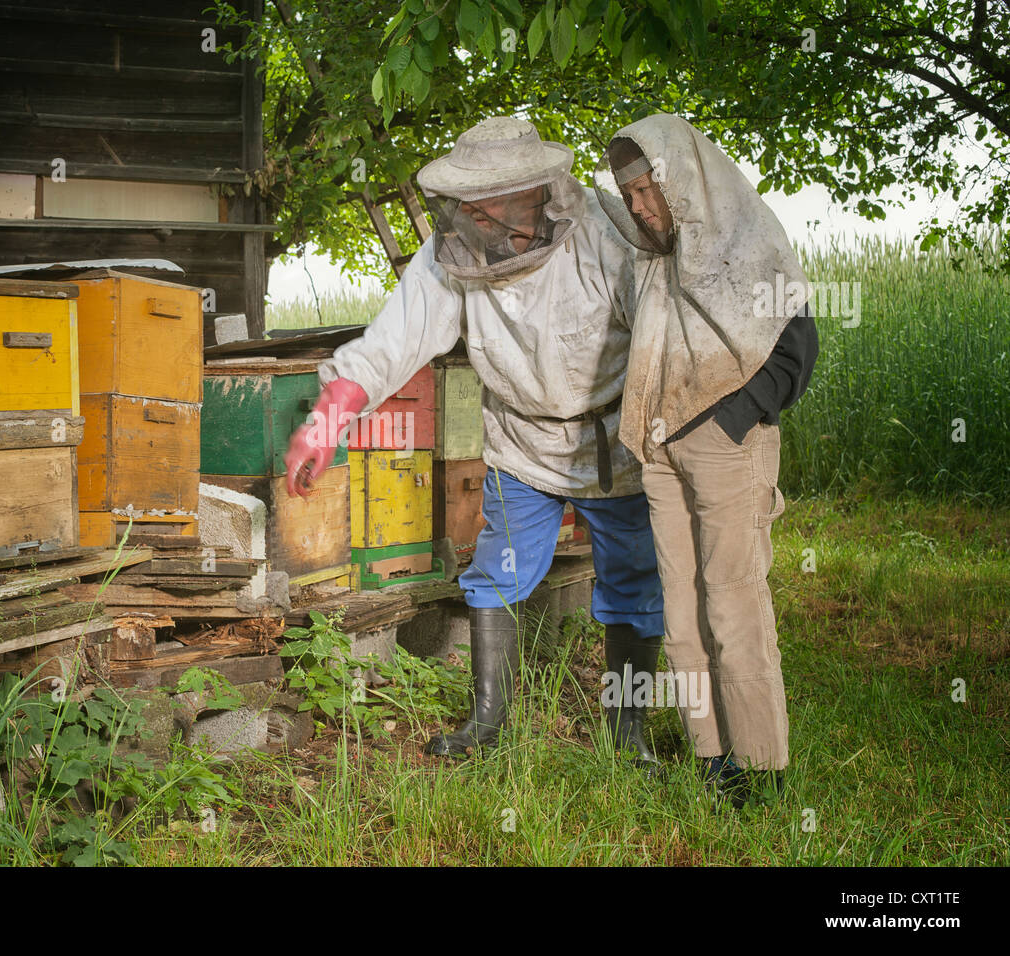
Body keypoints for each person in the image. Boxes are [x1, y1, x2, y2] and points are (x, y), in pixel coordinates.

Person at [284, 116, 665, 763]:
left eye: (498, 202)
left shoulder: (607, 232)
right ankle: (486, 725)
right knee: (499, 574)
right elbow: (393, 340)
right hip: (520, 441)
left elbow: (665, 336)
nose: (482, 216)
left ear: (538, 191)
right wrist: (330, 416)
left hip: (614, 440)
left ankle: (628, 735)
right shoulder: (451, 249)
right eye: (472, 203)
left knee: (633, 581)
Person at [595, 113, 819, 806]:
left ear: (678, 179)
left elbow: (796, 347)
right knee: (682, 607)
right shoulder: (653, 257)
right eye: (626, 194)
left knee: (734, 604)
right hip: (662, 449)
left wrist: (729, 421)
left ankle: (761, 769)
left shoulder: (748, 242)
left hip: (726, 447)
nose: (636, 206)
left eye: (643, 190)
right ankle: (712, 758)